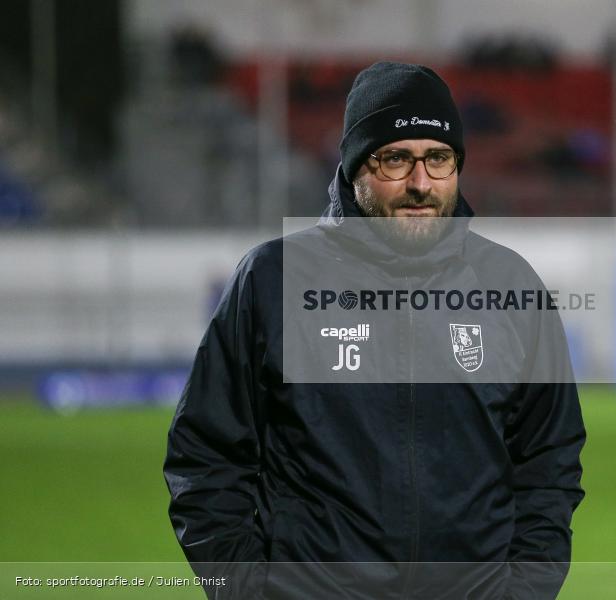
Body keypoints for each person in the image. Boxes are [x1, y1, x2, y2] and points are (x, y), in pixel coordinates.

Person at [164, 62, 585, 599]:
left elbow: (550, 462)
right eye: (396, 159)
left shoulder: (510, 284)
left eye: (438, 159)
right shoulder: (274, 280)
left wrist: (524, 591)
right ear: (356, 165)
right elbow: (206, 457)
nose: (420, 183)